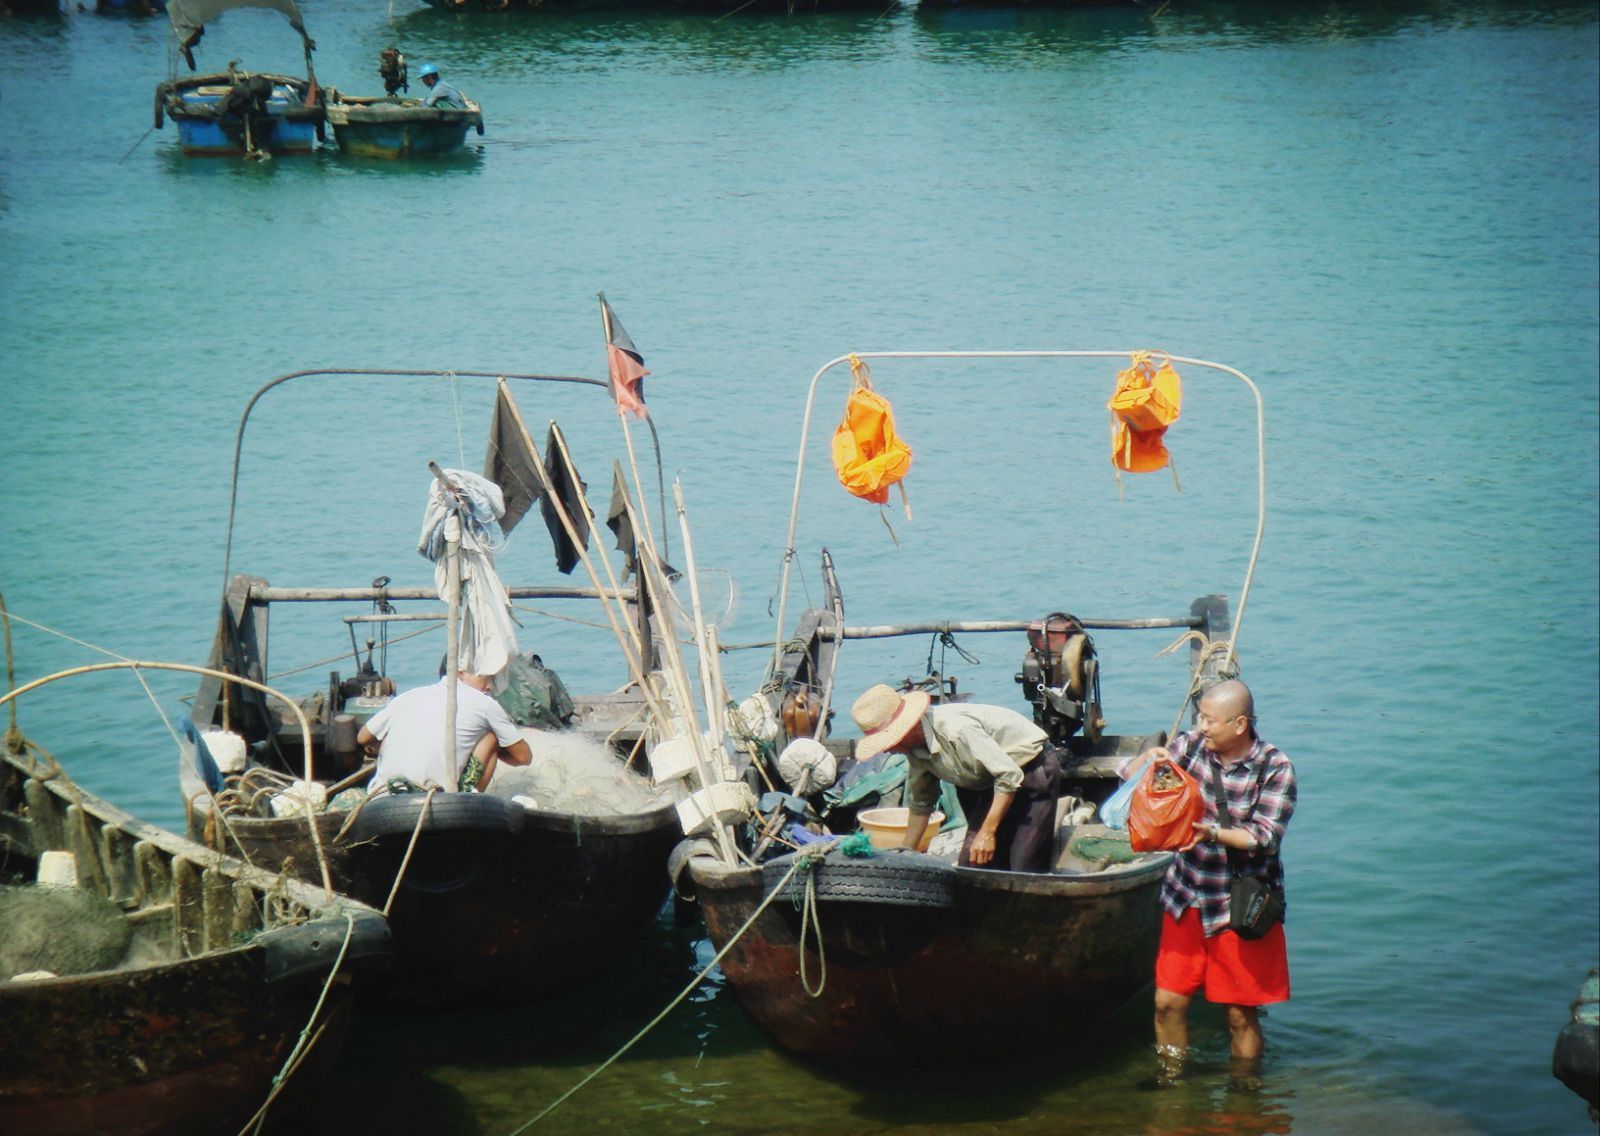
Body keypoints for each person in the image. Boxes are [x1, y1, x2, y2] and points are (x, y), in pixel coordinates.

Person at [1136, 678, 1297, 1083]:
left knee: (1240, 1015)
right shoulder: (1191, 746)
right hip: (1186, 893)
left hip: (1237, 904)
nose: (1202, 728)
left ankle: (1244, 1092)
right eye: (1200, 719)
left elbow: (1263, 837)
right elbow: (1137, 777)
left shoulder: (1274, 767)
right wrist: (1151, 762)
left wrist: (1209, 832)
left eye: (1211, 721)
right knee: (1167, 1003)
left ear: (1240, 724)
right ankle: (1173, 1078)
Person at [850, 683, 1062, 872]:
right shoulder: (914, 750)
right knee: (973, 863)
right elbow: (921, 802)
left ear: (905, 730)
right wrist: (906, 854)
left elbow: (1008, 775)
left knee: (1022, 867)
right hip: (987, 784)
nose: (886, 751)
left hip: (1031, 770)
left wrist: (987, 833)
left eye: (887, 742)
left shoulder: (956, 730)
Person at [356, 669, 531, 795]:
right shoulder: (485, 704)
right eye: (487, 677)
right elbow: (523, 757)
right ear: (461, 672)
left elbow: (363, 738)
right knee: (491, 738)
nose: (490, 686)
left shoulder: (407, 697)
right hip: (437, 798)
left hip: (383, 794)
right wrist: (488, 747)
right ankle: (470, 797)